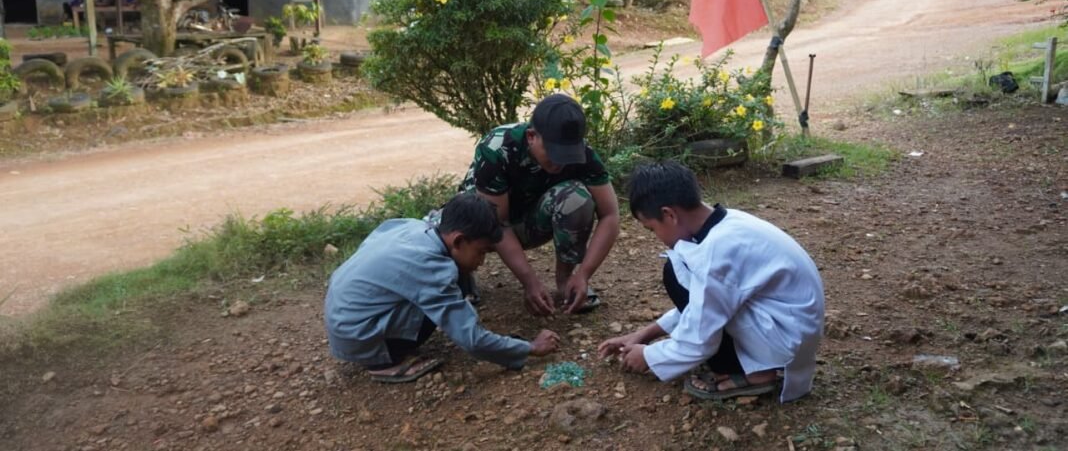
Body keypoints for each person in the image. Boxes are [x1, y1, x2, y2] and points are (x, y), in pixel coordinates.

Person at [598, 161, 825, 403]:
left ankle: (757, 374)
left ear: (669, 214)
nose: (658, 238)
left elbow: (701, 338)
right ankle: (756, 362)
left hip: (784, 339)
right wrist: (645, 334)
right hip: (789, 327)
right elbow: (706, 302)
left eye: (652, 229)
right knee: (680, 267)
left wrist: (650, 356)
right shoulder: (728, 222)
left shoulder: (716, 252)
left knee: (675, 271)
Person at [324, 194, 560, 383]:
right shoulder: (431, 267)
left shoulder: (414, 227)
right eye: (482, 252)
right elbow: (472, 340)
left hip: (344, 321)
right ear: (458, 240)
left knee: (455, 277)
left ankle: (382, 347)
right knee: (453, 284)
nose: (482, 262)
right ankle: (386, 364)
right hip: (359, 336)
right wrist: (530, 348)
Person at [454, 93, 620, 316]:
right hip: (488, 225)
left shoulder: (583, 153)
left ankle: (565, 282)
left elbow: (610, 214)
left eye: (567, 154)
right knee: (452, 228)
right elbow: (498, 223)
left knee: (576, 198)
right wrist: (529, 282)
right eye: (553, 154)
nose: (560, 162)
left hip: (531, 221)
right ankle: (462, 273)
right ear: (532, 136)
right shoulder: (497, 147)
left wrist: (583, 274)